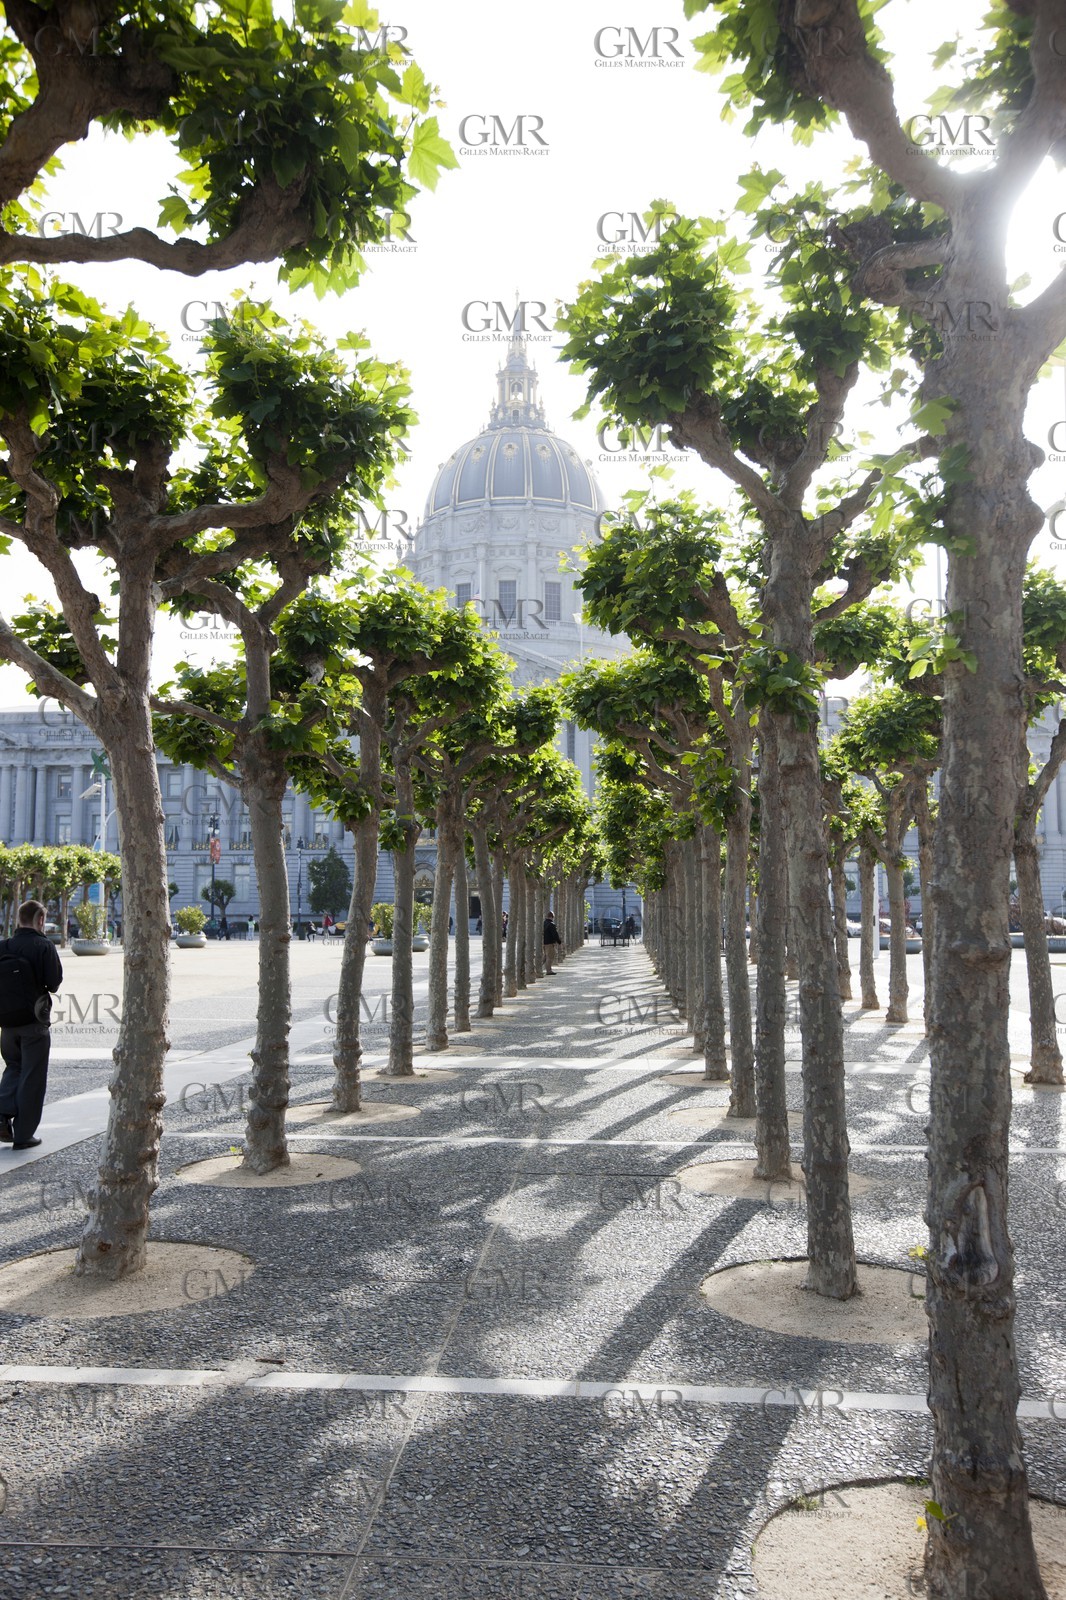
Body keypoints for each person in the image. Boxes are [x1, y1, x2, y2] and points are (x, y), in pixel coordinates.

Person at [0, 900, 63, 1150]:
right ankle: (24, 1135)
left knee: (13, 1067)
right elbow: (54, 982)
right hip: (34, 1023)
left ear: (18, 919)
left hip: (6, 1023)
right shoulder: (43, 946)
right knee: (33, 1075)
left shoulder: (3, 945)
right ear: (40, 920)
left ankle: (2, 1112)